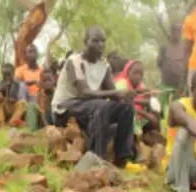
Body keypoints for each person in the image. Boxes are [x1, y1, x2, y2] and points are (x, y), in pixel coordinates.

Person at [52, 26, 149, 172]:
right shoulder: (74, 62)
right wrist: (117, 93)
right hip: (65, 107)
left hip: (89, 106)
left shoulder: (104, 65)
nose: (100, 45)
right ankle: (99, 158)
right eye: (95, 41)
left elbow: (113, 94)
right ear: (85, 42)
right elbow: (84, 92)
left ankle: (123, 158)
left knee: (126, 109)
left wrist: (129, 94)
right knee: (101, 106)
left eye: (103, 41)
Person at [114, 59, 161, 138]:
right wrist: (145, 114)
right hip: (119, 117)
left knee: (156, 110)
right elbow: (123, 105)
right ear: (128, 72)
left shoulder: (141, 86)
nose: (138, 76)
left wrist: (152, 97)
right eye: (135, 73)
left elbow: (141, 101)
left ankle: (151, 135)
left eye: (141, 74)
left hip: (136, 118)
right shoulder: (122, 83)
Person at [157, 22, 186, 118]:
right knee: (158, 107)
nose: (176, 33)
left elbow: (187, 66)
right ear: (171, 32)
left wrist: (183, 82)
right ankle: (157, 126)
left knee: (178, 108)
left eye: (178, 30)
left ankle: (175, 128)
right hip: (165, 83)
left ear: (181, 32)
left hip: (180, 85)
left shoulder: (185, 48)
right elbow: (159, 63)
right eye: (174, 30)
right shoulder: (164, 47)